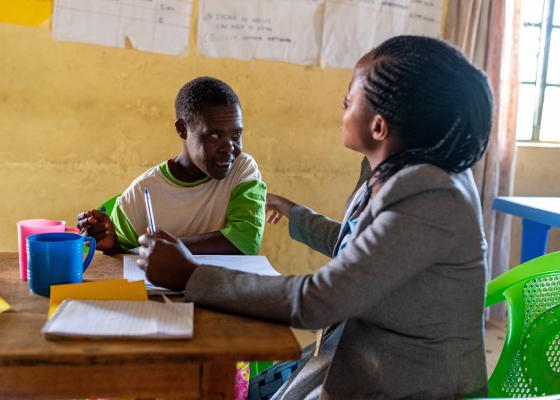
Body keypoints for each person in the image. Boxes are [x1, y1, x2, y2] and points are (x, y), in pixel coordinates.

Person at [136, 36, 493, 399]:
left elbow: (318, 301)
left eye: (351, 98)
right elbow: (365, 251)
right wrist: (296, 214)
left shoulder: (431, 195)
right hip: (363, 354)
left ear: (379, 127)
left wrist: (191, 275)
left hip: (408, 383)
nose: (343, 103)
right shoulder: (395, 172)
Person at [77, 77, 266, 256]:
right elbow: (123, 251)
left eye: (236, 135)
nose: (229, 147)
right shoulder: (143, 191)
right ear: (182, 129)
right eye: (215, 135)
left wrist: (166, 248)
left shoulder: (242, 169)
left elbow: (245, 241)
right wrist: (112, 243)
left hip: (220, 290)